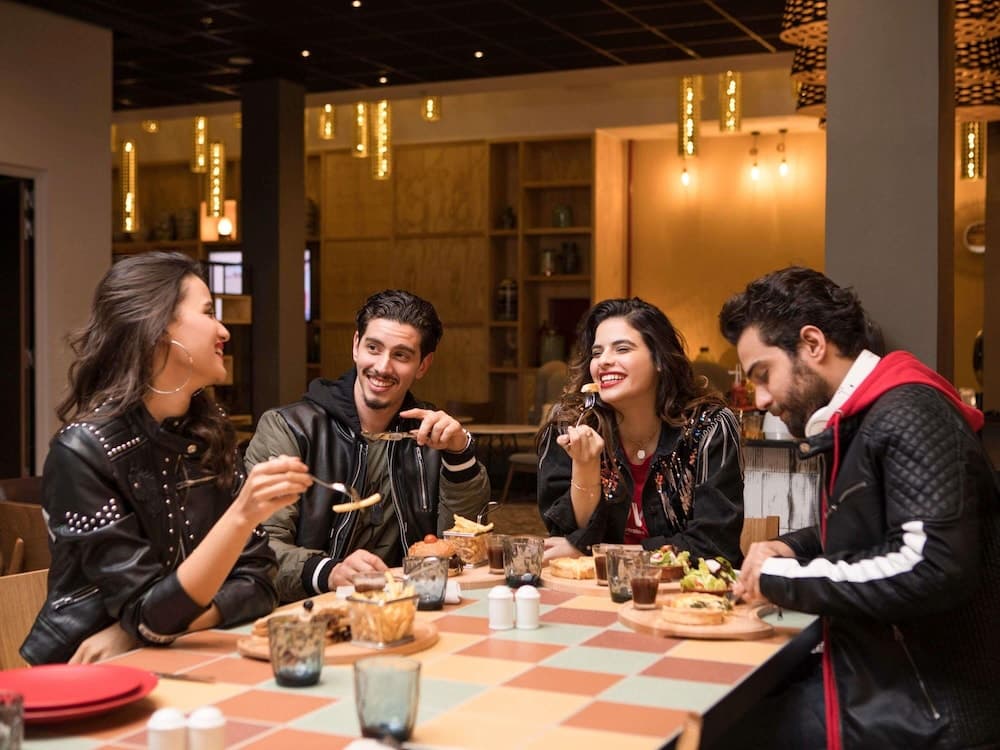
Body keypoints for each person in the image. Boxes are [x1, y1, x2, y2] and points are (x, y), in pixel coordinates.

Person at [717, 266, 1000, 750]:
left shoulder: (909, 411)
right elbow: (872, 530)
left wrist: (781, 578)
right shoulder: (865, 416)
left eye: (764, 375)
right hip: (887, 682)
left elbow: (931, 565)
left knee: (713, 728)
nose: (760, 399)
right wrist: (792, 547)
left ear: (812, 344)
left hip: (927, 710)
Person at [21, 252, 311, 665]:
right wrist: (242, 514)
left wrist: (144, 631)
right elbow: (148, 612)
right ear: (158, 328)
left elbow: (260, 584)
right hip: (85, 673)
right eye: (208, 312)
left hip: (176, 657)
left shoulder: (206, 433)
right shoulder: (83, 452)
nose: (224, 330)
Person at [245, 289, 490, 602]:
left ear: (423, 365)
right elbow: (258, 546)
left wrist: (459, 456)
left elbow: (461, 545)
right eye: (373, 348)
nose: (383, 367)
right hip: (312, 609)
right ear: (355, 346)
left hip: (410, 605)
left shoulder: (430, 436)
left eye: (401, 355)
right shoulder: (289, 429)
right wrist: (329, 571)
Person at [537, 298, 744, 563]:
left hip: (685, 585)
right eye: (597, 353)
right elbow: (566, 539)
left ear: (659, 359)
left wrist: (606, 553)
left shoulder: (708, 427)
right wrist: (585, 467)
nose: (604, 361)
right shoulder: (572, 425)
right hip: (596, 583)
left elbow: (713, 545)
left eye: (622, 349)